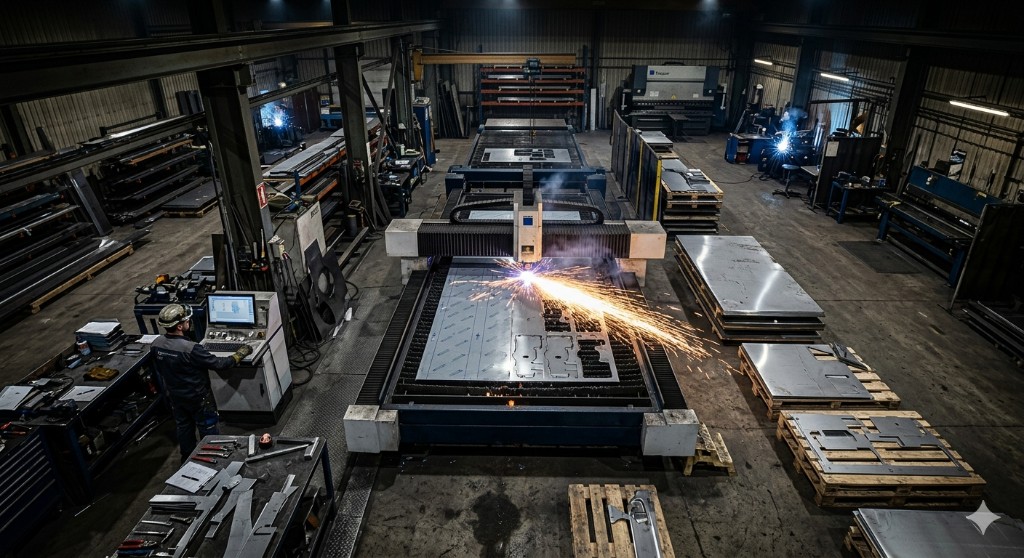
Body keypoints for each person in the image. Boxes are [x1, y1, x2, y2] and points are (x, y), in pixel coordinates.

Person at [151, 303, 252, 461]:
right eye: (186, 321)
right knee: (208, 429)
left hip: (176, 397)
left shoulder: (156, 344)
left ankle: (187, 459)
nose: (188, 323)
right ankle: (211, 460)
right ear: (179, 326)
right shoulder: (191, 349)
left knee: (184, 427)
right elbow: (219, 364)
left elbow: (159, 369)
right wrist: (239, 354)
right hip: (198, 399)